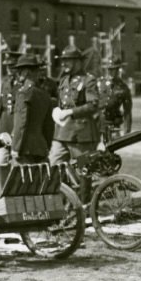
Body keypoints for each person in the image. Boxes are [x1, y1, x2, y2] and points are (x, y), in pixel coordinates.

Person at [48, 45, 101, 201]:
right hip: (62, 133)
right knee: (53, 167)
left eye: (68, 61)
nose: (64, 64)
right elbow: (61, 103)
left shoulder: (88, 80)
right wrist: (57, 111)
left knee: (83, 172)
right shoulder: (64, 80)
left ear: (79, 62)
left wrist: (70, 112)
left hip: (81, 135)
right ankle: (61, 203)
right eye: (63, 61)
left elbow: (93, 105)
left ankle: (84, 205)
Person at [9, 54, 54, 167]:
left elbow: (21, 123)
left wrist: (16, 147)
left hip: (24, 149)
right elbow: (49, 125)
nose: (17, 75)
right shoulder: (44, 95)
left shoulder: (23, 93)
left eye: (19, 71)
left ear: (25, 72)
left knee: (19, 183)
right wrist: (47, 146)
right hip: (41, 148)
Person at [0, 49, 22, 189]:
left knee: (17, 163)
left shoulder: (23, 84)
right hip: (4, 128)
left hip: (18, 126)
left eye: (13, 67)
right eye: (7, 66)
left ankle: (16, 192)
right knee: (1, 162)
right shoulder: (5, 83)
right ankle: (2, 192)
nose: (9, 69)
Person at [96, 54, 133, 143]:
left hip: (112, 122)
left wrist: (127, 129)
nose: (112, 72)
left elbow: (127, 110)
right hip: (97, 122)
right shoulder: (99, 83)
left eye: (114, 69)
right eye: (110, 69)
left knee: (110, 149)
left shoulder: (123, 88)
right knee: (92, 150)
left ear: (118, 70)